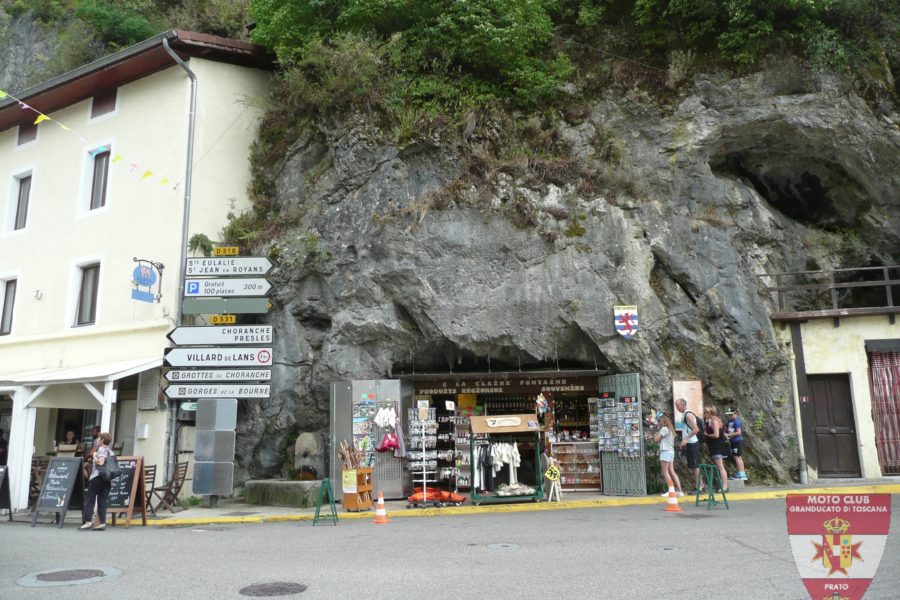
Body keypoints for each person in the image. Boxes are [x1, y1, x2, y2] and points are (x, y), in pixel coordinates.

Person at [81, 432, 113, 531]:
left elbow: (101, 462)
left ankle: (88, 521)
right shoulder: (110, 451)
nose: (97, 441)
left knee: (90, 498)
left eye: (99, 439)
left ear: (102, 440)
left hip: (98, 477)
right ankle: (102, 523)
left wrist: (94, 456)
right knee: (102, 500)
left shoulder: (102, 449)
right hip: (107, 478)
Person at [675, 398, 702, 492]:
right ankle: (700, 486)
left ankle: (700, 487)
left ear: (683, 405)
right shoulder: (685, 414)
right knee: (693, 466)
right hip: (691, 443)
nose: (677, 408)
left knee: (695, 466)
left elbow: (696, 429)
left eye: (677, 406)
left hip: (693, 443)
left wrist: (686, 439)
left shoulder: (688, 415)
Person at [654, 411, 683, 496]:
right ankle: (680, 491)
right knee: (672, 471)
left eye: (659, 420)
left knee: (665, 472)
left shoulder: (664, 429)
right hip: (671, 451)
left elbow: (656, 439)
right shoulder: (671, 429)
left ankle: (671, 490)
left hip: (665, 451)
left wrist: (656, 433)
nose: (659, 422)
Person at [704, 406, 729, 493]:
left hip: (717, 446)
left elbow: (716, 435)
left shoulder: (714, 421)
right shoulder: (716, 420)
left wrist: (707, 435)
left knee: (720, 466)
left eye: (705, 412)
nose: (704, 414)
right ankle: (723, 485)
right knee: (720, 466)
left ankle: (725, 486)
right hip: (715, 446)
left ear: (710, 413)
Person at [724, 408, 747, 480]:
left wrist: (728, 435)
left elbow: (739, 432)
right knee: (735, 457)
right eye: (728, 415)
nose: (730, 416)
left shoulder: (736, 421)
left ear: (735, 414)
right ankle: (740, 472)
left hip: (737, 441)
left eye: (731, 415)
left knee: (737, 457)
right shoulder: (729, 421)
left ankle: (742, 474)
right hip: (733, 441)